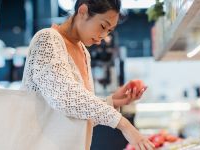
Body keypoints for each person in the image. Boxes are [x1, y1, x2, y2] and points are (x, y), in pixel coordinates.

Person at [21, 0, 155, 149]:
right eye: (103, 26)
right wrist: (123, 124)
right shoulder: (47, 39)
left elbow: (78, 113)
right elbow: (65, 98)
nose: (103, 35)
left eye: (109, 31)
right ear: (83, 11)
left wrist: (113, 101)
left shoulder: (84, 52)